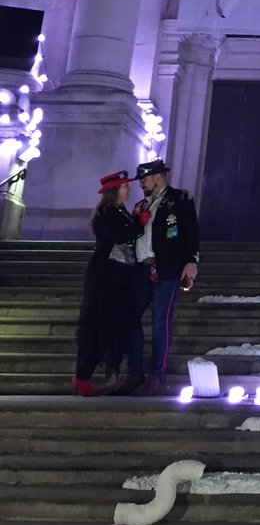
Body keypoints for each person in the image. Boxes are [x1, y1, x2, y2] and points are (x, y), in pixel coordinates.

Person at [112, 158, 200, 396]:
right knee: (130, 317)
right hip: (141, 268)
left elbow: (191, 232)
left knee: (160, 322)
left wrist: (192, 261)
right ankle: (134, 372)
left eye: (144, 179)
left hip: (167, 269)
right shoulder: (141, 204)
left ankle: (156, 375)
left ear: (158, 176)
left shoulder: (180, 199)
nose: (141, 184)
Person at [73, 170, 141, 396]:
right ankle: (83, 376)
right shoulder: (107, 211)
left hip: (119, 275)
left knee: (112, 326)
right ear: (115, 190)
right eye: (125, 186)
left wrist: (134, 220)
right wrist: (139, 223)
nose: (128, 190)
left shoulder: (118, 211)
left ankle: (85, 375)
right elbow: (121, 237)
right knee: (99, 325)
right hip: (107, 276)